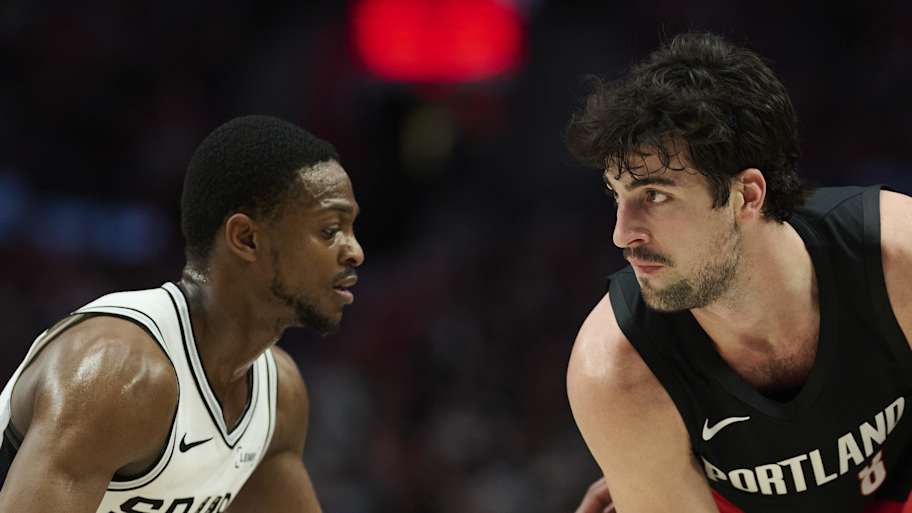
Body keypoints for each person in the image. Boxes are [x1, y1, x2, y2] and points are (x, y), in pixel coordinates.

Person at [564, 33, 912, 513]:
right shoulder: (617, 371)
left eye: (655, 195)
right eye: (617, 196)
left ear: (746, 195)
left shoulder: (899, 258)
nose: (622, 234)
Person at [0, 115, 364, 512]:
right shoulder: (116, 373)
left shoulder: (278, 396)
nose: (355, 252)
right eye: (330, 230)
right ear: (246, 238)